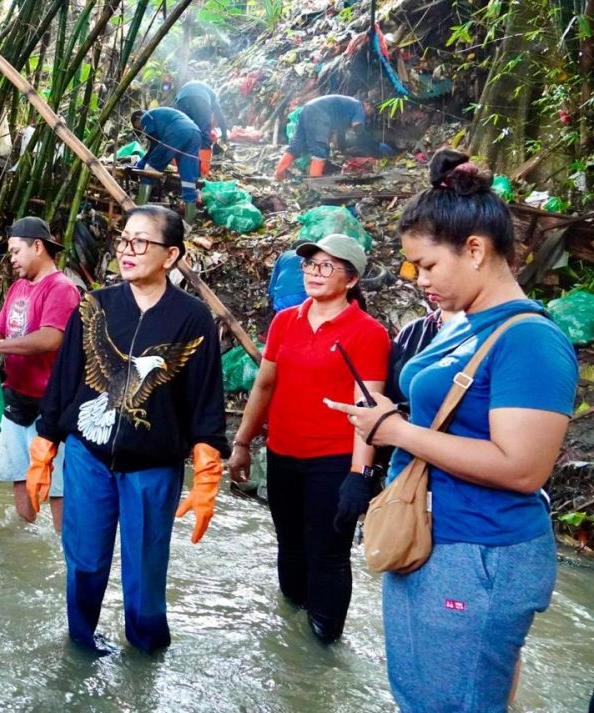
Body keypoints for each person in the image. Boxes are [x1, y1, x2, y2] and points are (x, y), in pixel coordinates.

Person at [326, 149, 579, 711]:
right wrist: (389, 414)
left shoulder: (529, 339)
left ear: (475, 249)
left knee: (454, 703)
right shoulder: (464, 325)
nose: (419, 280)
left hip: (480, 551)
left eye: (427, 265)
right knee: (421, 695)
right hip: (431, 538)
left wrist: (395, 431)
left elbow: (522, 468)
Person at [28, 205, 228, 653]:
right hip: (89, 457)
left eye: (141, 241)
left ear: (171, 255)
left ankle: (146, 652)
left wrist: (207, 470)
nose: (127, 250)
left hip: (153, 466)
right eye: (124, 240)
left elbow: (204, 399)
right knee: (84, 561)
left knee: (145, 570)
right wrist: (44, 446)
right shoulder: (96, 305)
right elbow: (64, 380)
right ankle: (82, 644)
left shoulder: (193, 317)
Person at [228, 233, 390, 644]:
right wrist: (243, 443)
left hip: (333, 461)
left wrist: (360, 474)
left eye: (326, 266)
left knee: (328, 555)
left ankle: (323, 648)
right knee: (290, 546)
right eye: (310, 265)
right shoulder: (285, 321)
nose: (314, 273)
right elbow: (265, 386)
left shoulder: (368, 333)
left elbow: (367, 406)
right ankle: (292, 639)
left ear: (352, 279)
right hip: (282, 454)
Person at [0, 217, 80, 532]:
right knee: (19, 475)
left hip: (51, 405)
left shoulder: (62, 288)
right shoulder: (18, 287)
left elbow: (50, 338)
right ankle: (25, 544)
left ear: (37, 246)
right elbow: (0, 331)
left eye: (15, 251)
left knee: (58, 486)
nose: (11, 259)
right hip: (15, 398)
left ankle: (64, 547)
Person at [273, 95, 375, 179]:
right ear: (367, 104)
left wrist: (344, 152)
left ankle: (278, 174)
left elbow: (340, 134)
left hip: (308, 108)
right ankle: (315, 184)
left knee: (297, 145)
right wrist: (372, 148)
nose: (370, 114)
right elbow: (358, 128)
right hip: (319, 113)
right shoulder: (358, 107)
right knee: (320, 150)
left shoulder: (348, 107)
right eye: (372, 110)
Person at [130, 108, 202, 223]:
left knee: (148, 172)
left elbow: (155, 145)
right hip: (195, 133)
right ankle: (189, 222)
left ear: (138, 118)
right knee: (188, 180)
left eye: (137, 127)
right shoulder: (162, 116)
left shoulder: (146, 117)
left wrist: (142, 165)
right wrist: (143, 162)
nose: (140, 130)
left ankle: (139, 215)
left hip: (177, 132)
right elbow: (156, 148)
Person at [174, 80, 227, 176]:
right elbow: (220, 116)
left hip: (182, 99)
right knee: (203, 135)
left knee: (181, 134)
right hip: (201, 99)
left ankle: (178, 169)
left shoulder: (188, 87)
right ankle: (202, 171)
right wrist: (224, 136)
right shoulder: (213, 95)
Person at [266, 239, 311, 313]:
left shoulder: (284, 256)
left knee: (283, 318)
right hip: (305, 293)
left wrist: (272, 295)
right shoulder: (310, 255)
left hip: (282, 296)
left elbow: (274, 279)